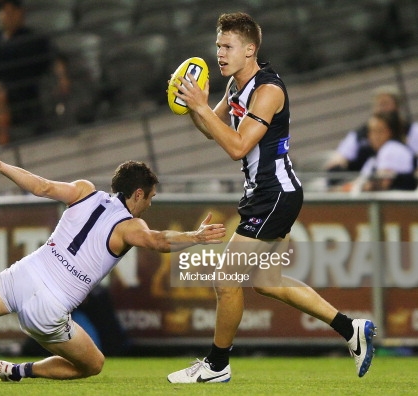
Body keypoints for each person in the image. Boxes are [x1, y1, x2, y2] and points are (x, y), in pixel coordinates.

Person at [0, 156, 227, 382]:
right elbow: (160, 242)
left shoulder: (84, 190)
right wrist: (196, 235)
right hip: (50, 306)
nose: (149, 205)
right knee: (93, 365)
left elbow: (42, 186)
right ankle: (21, 371)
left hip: (24, 273)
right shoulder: (130, 225)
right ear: (139, 194)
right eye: (151, 198)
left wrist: (2, 166)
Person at [166, 12, 376, 383]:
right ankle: (350, 329)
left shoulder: (268, 90)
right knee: (266, 281)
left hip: (276, 193)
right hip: (265, 194)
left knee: (226, 280)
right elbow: (208, 131)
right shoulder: (235, 87)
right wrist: (189, 102)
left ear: (250, 49)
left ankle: (217, 365)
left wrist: (201, 106)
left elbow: (237, 146)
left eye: (227, 46)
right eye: (218, 45)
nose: (220, 53)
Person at [0, 0, 70, 154]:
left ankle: (3, 153)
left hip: (17, 92)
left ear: (20, 14)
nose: (7, 16)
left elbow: (56, 58)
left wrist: (62, 78)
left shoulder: (33, 38)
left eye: (12, 12)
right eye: (4, 12)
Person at [325, 85, 417, 177]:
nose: (382, 109)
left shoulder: (400, 141)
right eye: (379, 104)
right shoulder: (360, 136)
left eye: (385, 104)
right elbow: (339, 159)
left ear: (389, 133)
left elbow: (385, 179)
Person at [344, 111, 416, 192]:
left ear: (390, 132)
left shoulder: (392, 148)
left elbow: (382, 184)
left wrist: (354, 188)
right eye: (371, 131)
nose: (372, 136)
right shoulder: (374, 158)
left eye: (378, 131)